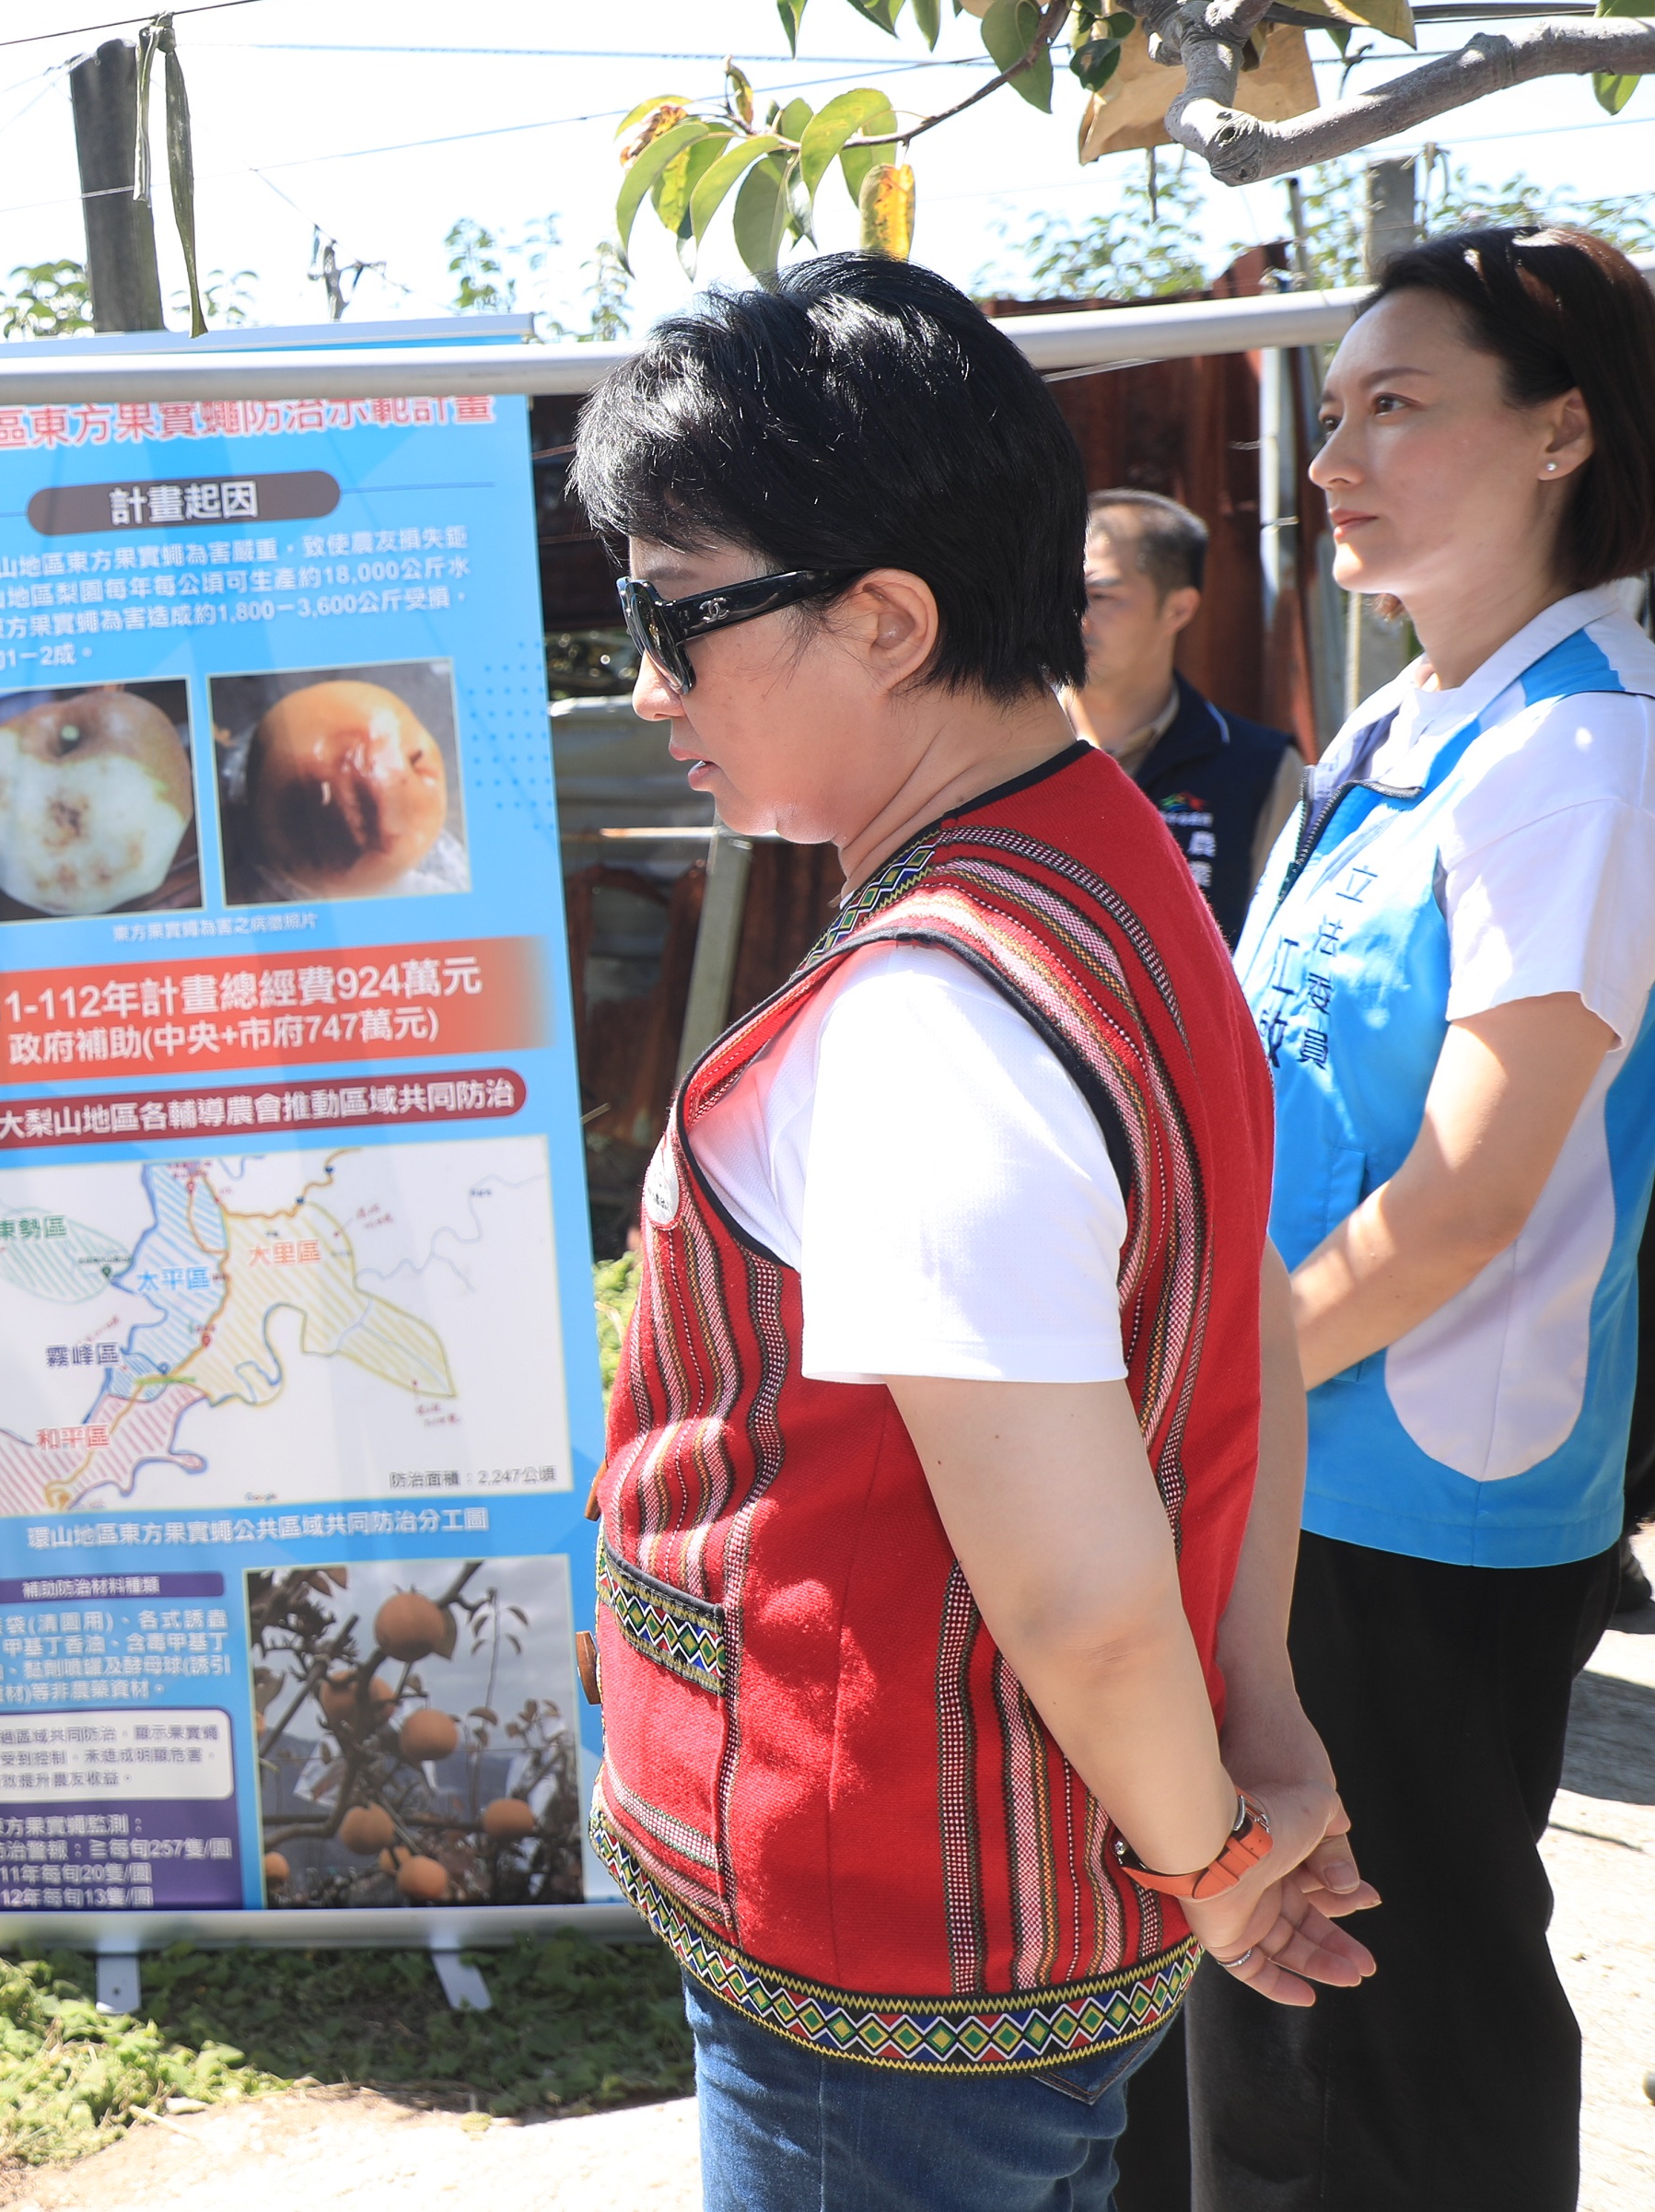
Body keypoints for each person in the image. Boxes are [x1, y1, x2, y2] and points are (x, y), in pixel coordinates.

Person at [577, 254, 1370, 2211]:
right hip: (996, 1891)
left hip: (892, 1933)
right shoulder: (1106, 850)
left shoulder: (937, 1009)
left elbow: (1079, 1593)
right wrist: (1247, 1726)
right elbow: (1229, 1325)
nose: (642, 684)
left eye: (672, 619)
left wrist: (1208, 1857)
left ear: (881, 618)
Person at [1179, 225, 1655, 2210]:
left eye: (1398, 405)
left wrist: (1190, 1408)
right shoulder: (1403, 727)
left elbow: (1463, 1198)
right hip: (1297, 1463)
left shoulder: (1583, 747)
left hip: (1419, 1491)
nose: (1332, 455)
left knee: (1388, 2033)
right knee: (1269, 2038)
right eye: (1331, 410)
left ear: (1559, 432)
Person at [1064, 488, 1306, 945]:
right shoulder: (996, 746)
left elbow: (1280, 950)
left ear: (1178, 608)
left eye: (1099, 595)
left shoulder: (1261, 770)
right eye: (1059, 592)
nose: (1072, 615)